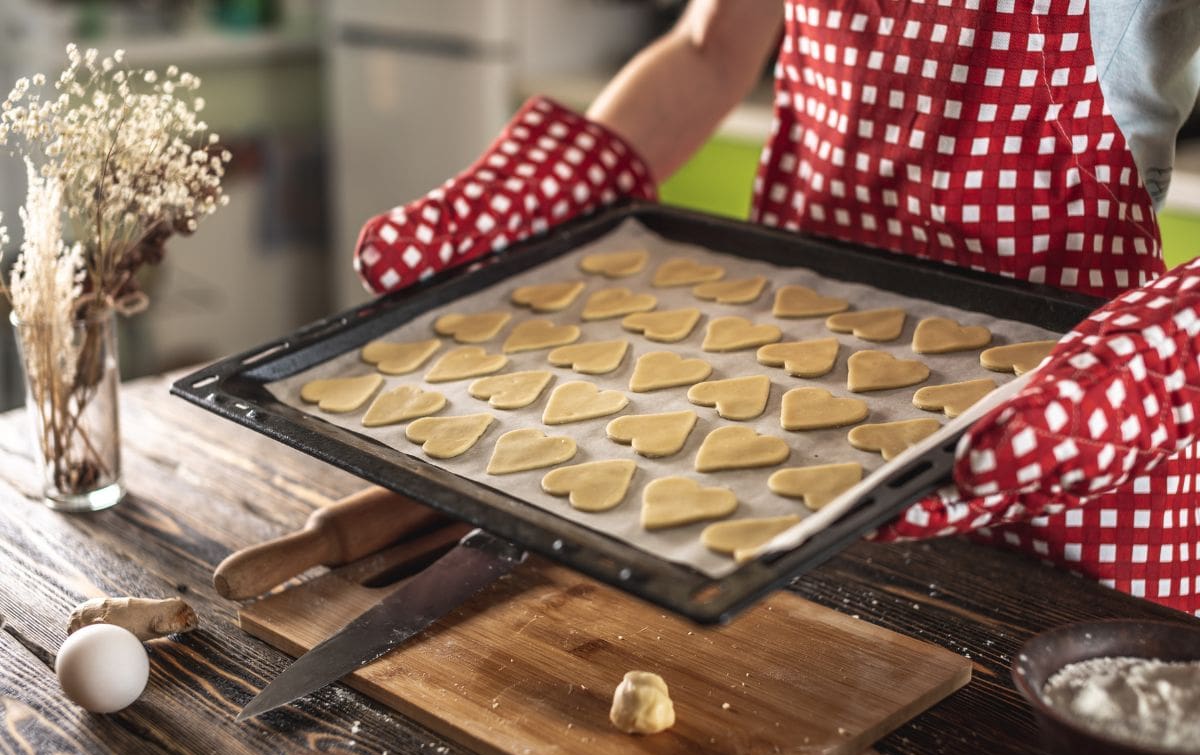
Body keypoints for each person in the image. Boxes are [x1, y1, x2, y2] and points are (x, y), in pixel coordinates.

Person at [353, 0, 1200, 615]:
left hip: (1076, 433)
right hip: (797, 420)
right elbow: (711, 47)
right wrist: (552, 180)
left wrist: (1167, 353)